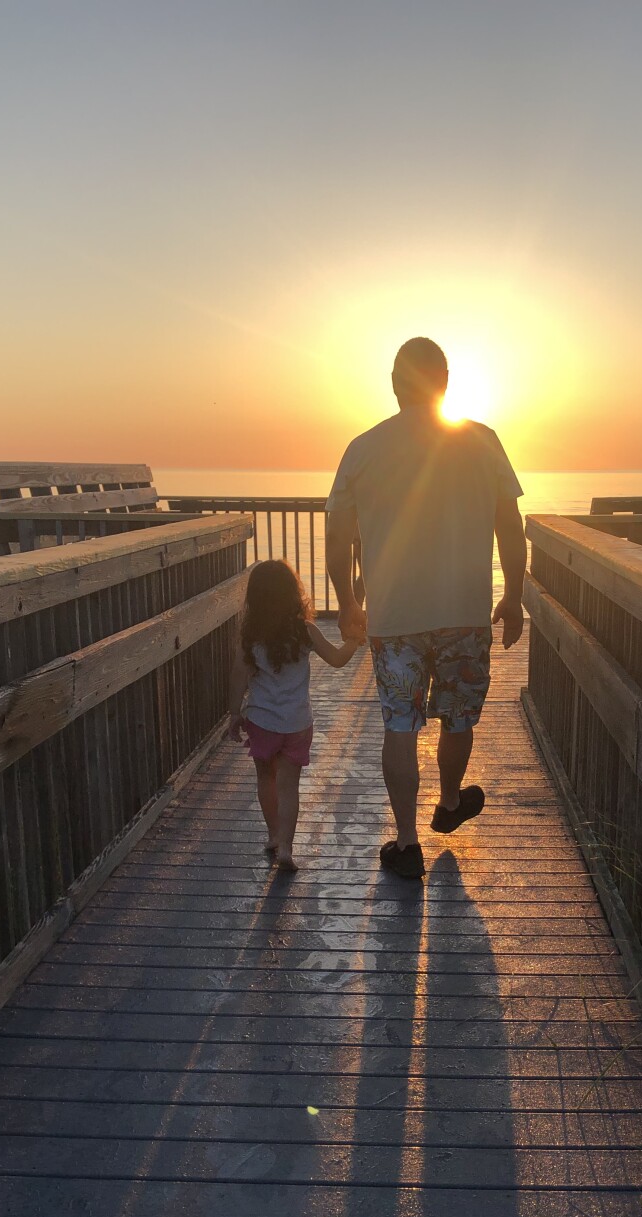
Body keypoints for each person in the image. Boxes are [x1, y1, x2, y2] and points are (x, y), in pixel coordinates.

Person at [325, 336, 527, 880]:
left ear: (394, 384)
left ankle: (408, 844)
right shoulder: (481, 441)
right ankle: (450, 802)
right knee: (458, 718)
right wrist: (512, 595)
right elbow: (510, 525)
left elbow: (339, 536)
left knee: (400, 725)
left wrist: (347, 602)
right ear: (444, 381)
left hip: (395, 619)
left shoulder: (363, 449)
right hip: (465, 611)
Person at [227, 558, 359, 871]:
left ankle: (273, 835)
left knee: (266, 779)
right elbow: (338, 659)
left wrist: (234, 714)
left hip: (262, 722)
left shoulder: (251, 636)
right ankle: (286, 848)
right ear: (293, 593)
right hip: (298, 723)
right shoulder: (305, 631)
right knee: (289, 787)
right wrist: (354, 640)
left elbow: (238, 677)